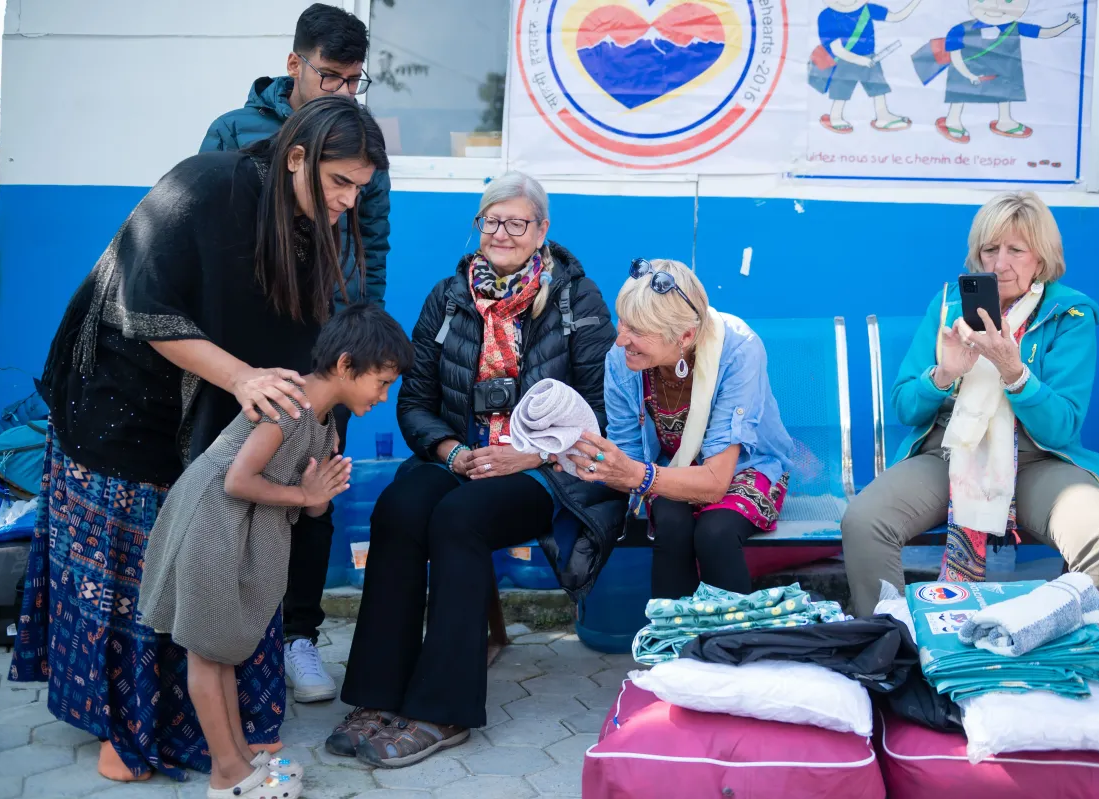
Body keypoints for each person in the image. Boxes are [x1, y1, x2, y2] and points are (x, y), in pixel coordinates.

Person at [10, 96, 389, 782]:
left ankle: (220, 737)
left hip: (211, 424)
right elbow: (141, 303)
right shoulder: (206, 185)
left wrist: (316, 434)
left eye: (360, 188)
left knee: (204, 579)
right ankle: (126, 733)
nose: (348, 201)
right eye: (340, 182)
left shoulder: (311, 224)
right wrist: (241, 378)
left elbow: (298, 344)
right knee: (140, 580)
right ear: (296, 158)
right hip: (123, 408)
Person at [327, 171, 623, 768]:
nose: (502, 232)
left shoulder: (577, 300)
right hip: (462, 457)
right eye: (491, 220)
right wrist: (452, 452)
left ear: (541, 230)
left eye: (517, 222)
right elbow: (415, 403)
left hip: (549, 470)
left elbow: (603, 412)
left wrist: (531, 455)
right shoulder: (448, 297)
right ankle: (377, 693)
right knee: (400, 508)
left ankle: (445, 708)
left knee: (459, 519)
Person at [841, 191, 1099, 661]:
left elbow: (1061, 427)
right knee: (863, 521)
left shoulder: (1070, 315)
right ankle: (890, 658)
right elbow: (905, 406)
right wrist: (944, 374)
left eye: (1016, 250)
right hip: (951, 451)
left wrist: (1015, 373)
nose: (1000, 264)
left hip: (1040, 458)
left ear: (1041, 257)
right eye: (989, 250)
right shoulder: (947, 305)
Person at [139, 304, 412, 798]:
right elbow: (238, 479)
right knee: (206, 654)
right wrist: (305, 496)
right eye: (382, 382)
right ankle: (226, 775)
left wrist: (317, 496)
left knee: (221, 651)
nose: (383, 396)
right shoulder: (290, 404)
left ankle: (239, 758)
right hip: (210, 525)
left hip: (233, 533)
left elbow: (310, 501)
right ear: (346, 365)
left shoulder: (325, 423)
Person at [201, 2, 389, 701]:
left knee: (318, 486)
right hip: (243, 354)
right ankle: (223, 638)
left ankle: (299, 636)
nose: (342, 90)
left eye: (354, 80)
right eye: (329, 75)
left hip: (321, 352)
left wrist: (353, 351)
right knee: (235, 483)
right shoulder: (235, 131)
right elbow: (208, 237)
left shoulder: (361, 145)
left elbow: (372, 250)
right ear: (294, 65)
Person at [568, 259, 795, 601]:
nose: (621, 339)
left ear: (685, 336)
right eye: (622, 321)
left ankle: (730, 633)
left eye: (638, 330)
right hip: (668, 466)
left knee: (715, 533)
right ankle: (672, 633)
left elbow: (715, 483)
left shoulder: (738, 350)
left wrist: (637, 475)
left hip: (746, 468)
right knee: (672, 526)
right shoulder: (621, 360)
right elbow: (627, 453)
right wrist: (584, 461)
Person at [936, 0, 1081, 144]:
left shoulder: (1014, 27)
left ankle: (1004, 121)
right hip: (967, 71)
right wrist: (968, 75)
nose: (994, 6)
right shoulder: (959, 30)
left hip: (1001, 73)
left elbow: (1045, 33)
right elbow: (955, 57)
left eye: (1008, 0)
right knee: (960, 87)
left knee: (1005, 86)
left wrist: (1068, 24)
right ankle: (952, 120)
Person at [812, 0, 922, 133]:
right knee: (841, 90)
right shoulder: (827, 16)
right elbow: (837, 49)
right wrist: (859, 60)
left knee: (878, 87)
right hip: (845, 60)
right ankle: (835, 117)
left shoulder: (867, 9)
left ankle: (883, 116)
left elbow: (896, 17)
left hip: (869, 57)